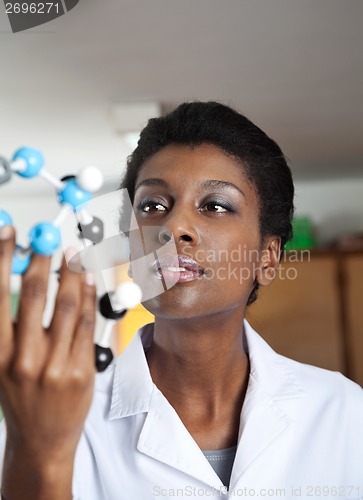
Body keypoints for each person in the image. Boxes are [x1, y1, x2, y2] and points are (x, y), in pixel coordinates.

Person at [0, 102, 362, 500]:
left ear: (267, 257)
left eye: (215, 206)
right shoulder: (41, 426)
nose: (173, 228)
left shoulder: (344, 412)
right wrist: (41, 454)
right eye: (152, 206)